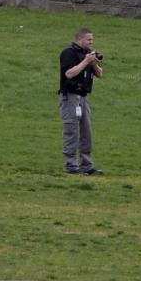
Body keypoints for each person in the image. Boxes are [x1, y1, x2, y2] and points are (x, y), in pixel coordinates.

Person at [59, 28, 105, 175]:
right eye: (88, 40)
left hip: (83, 97)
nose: (91, 42)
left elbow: (100, 74)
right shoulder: (68, 53)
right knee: (71, 131)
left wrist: (93, 63)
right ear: (79, 39)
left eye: (92, 40)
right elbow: (69, 74)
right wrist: (86, 61)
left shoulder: (88, 55)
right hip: (70, 97)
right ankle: (71, 165)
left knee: (86, 132)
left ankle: (87, 165)